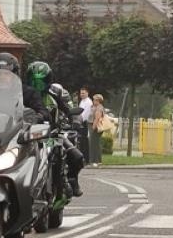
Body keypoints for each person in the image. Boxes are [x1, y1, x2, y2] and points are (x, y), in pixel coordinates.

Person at [22, 61, 84, 198]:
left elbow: (68, 109)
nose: (38, 85)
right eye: (34, 81)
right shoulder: (22, 94)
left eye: (42, 81)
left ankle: (71, 180)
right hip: (27, 137)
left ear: (48, 80)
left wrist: (74, 120)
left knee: (77, 156)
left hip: (52, 137)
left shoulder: (55, 93)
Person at [89, 92, 113, 166]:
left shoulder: (99, 108)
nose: (93, 101)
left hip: (96, 127)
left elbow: (97, 118)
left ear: (98, 101)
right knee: (95, 143)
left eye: (95, 100)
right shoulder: (97, 107)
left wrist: (93, 127)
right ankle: (98, 160)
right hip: (96, 127)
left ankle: (95, 161)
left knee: (94, 144)